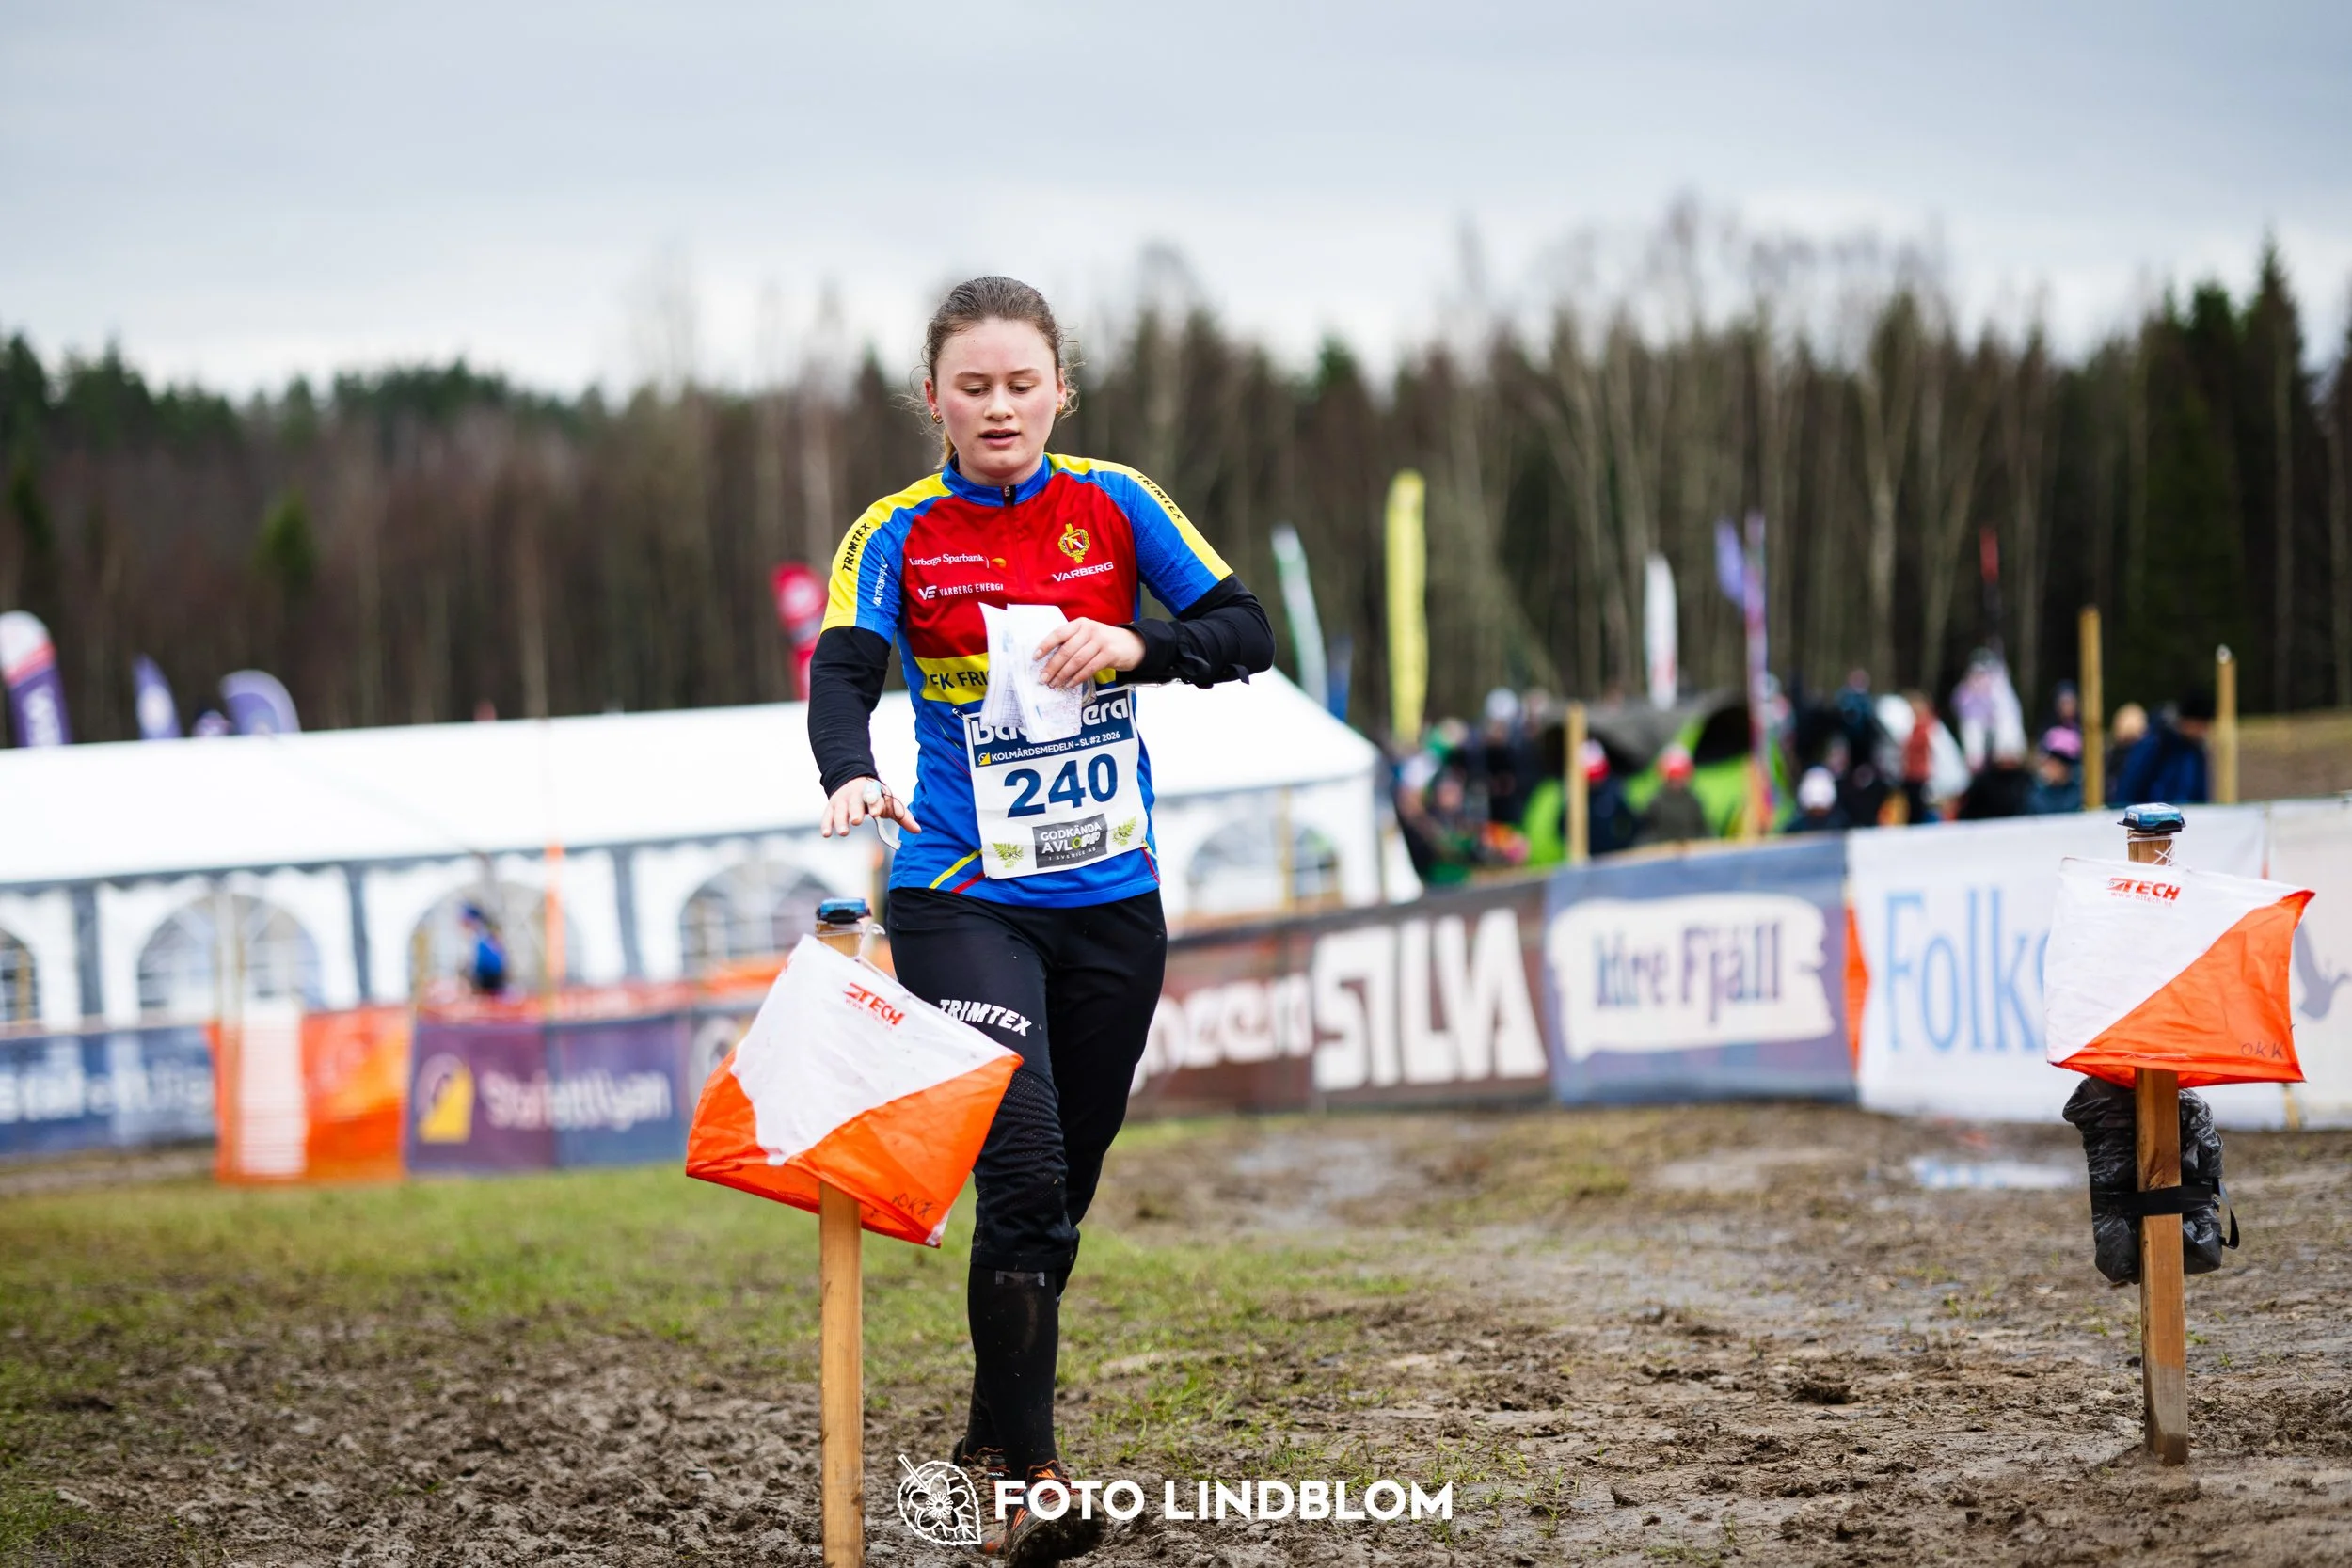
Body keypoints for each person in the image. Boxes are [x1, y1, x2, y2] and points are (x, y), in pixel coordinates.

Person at [806, 277, 1272, 1563]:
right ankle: (1037, 1480)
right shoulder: (896, 530)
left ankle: (986, 1438)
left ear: (1062, 389)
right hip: (961, 894)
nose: (999, 405)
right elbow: (841, 667)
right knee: (1018, 1166)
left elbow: (1246, 630)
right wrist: (849, 769)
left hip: (1113, 900)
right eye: (974, 386)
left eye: (1022, 383)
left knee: (1056, 1195)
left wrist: (1136, 644)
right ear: (934, 399)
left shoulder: (1117, 503)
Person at [2111, 695, 2213, 806]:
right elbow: (2130, 785)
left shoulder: (2195, 751)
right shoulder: (2156, 744)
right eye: (2201, 726)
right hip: (2151, 814)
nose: (2203, 731)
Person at [1636, 744, 1709, 847]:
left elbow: (1704, 829)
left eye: (1680, 778)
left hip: (1690, 850)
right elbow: (1646, 831)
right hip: (1662, 850)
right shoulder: (1656, 802)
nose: (1676, 783)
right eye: (1672, 779)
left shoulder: (1693, 802)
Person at [458, 903, 507, 996]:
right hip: (487, 976)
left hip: (490, 977)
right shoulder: (480, 936)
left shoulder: (483, 936)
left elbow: (485, 960)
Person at [1786, 766, 1848, 832]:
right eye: (1813, 811)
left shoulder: (1841, 826)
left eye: (1821, 810)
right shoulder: (1795, 828)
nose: (1817, 814)